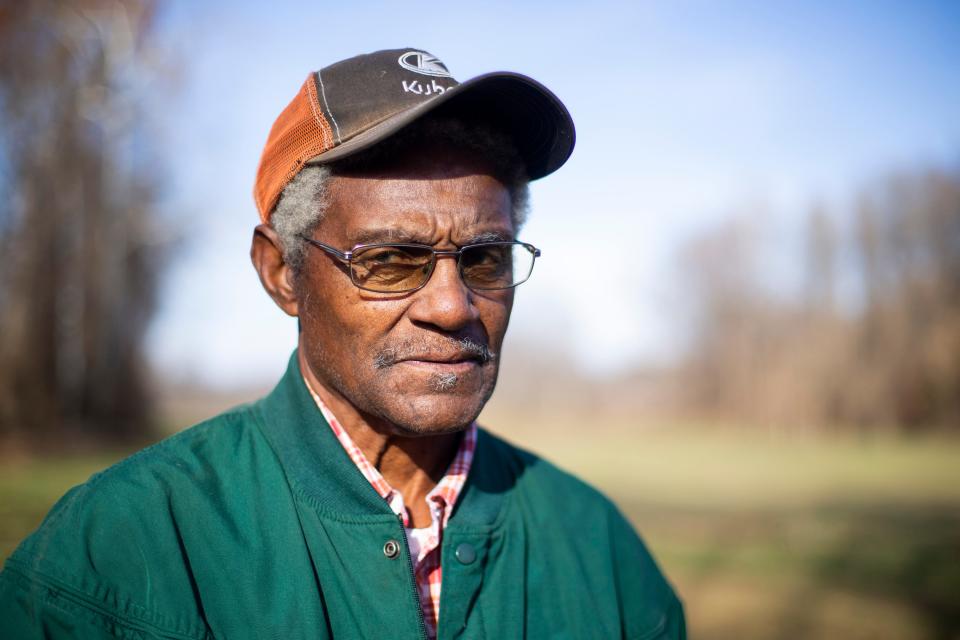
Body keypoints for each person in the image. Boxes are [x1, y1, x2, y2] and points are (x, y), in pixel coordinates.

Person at [0, 48, 685, 639]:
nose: (452, 306)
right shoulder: (120, 552)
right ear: (282, 275)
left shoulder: (599, 551)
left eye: (485, 258)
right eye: (389, 260)